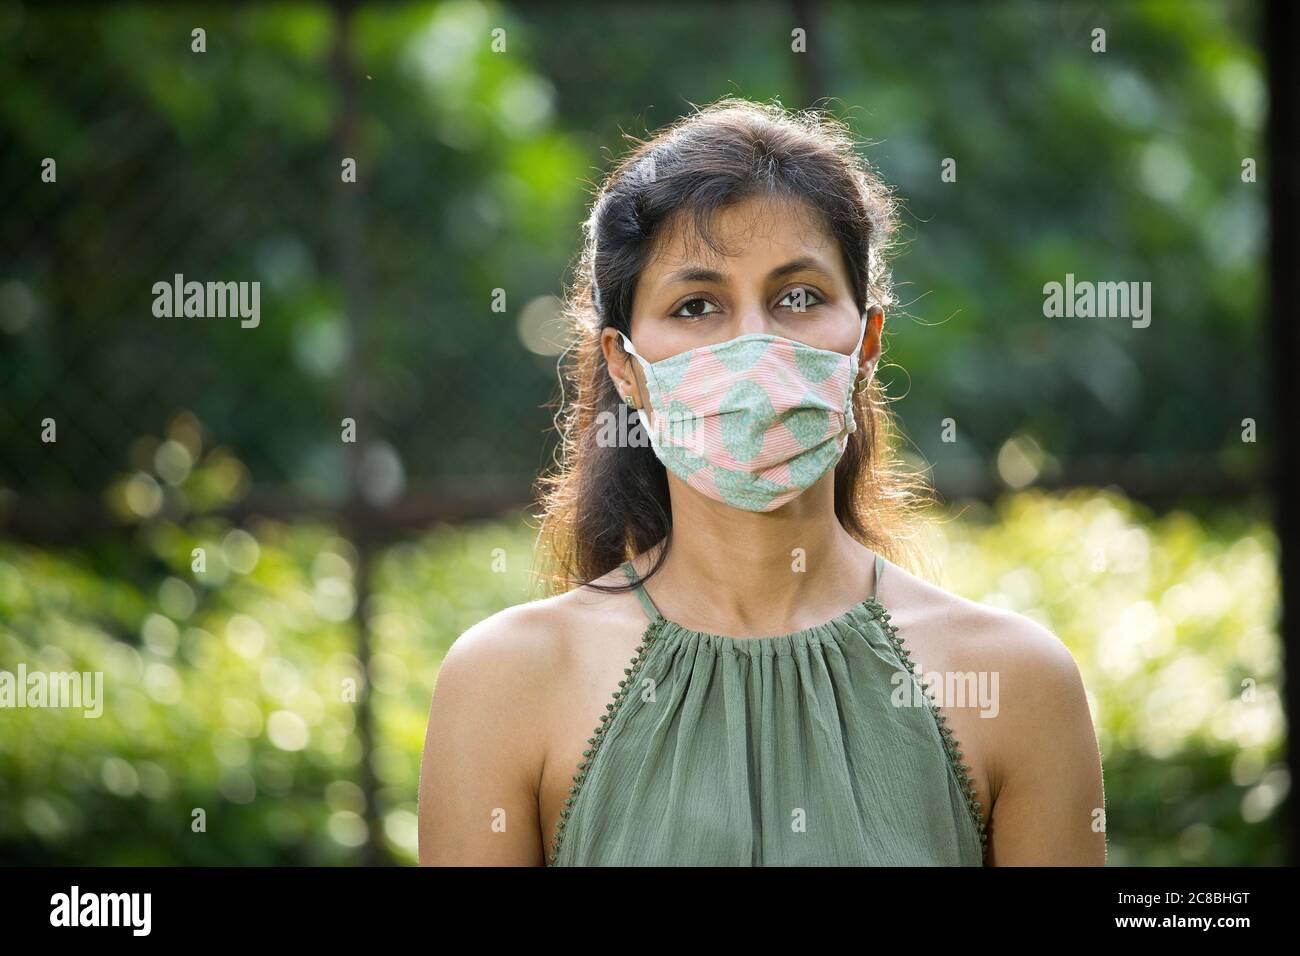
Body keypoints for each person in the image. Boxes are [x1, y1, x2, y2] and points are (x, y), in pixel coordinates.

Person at [418, 98, 1105, 866]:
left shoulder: (1017, 684)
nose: (755, 347)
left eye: (799, 297)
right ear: (625, 367)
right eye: (697, 305)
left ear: (867, 341)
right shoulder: (504, 686)